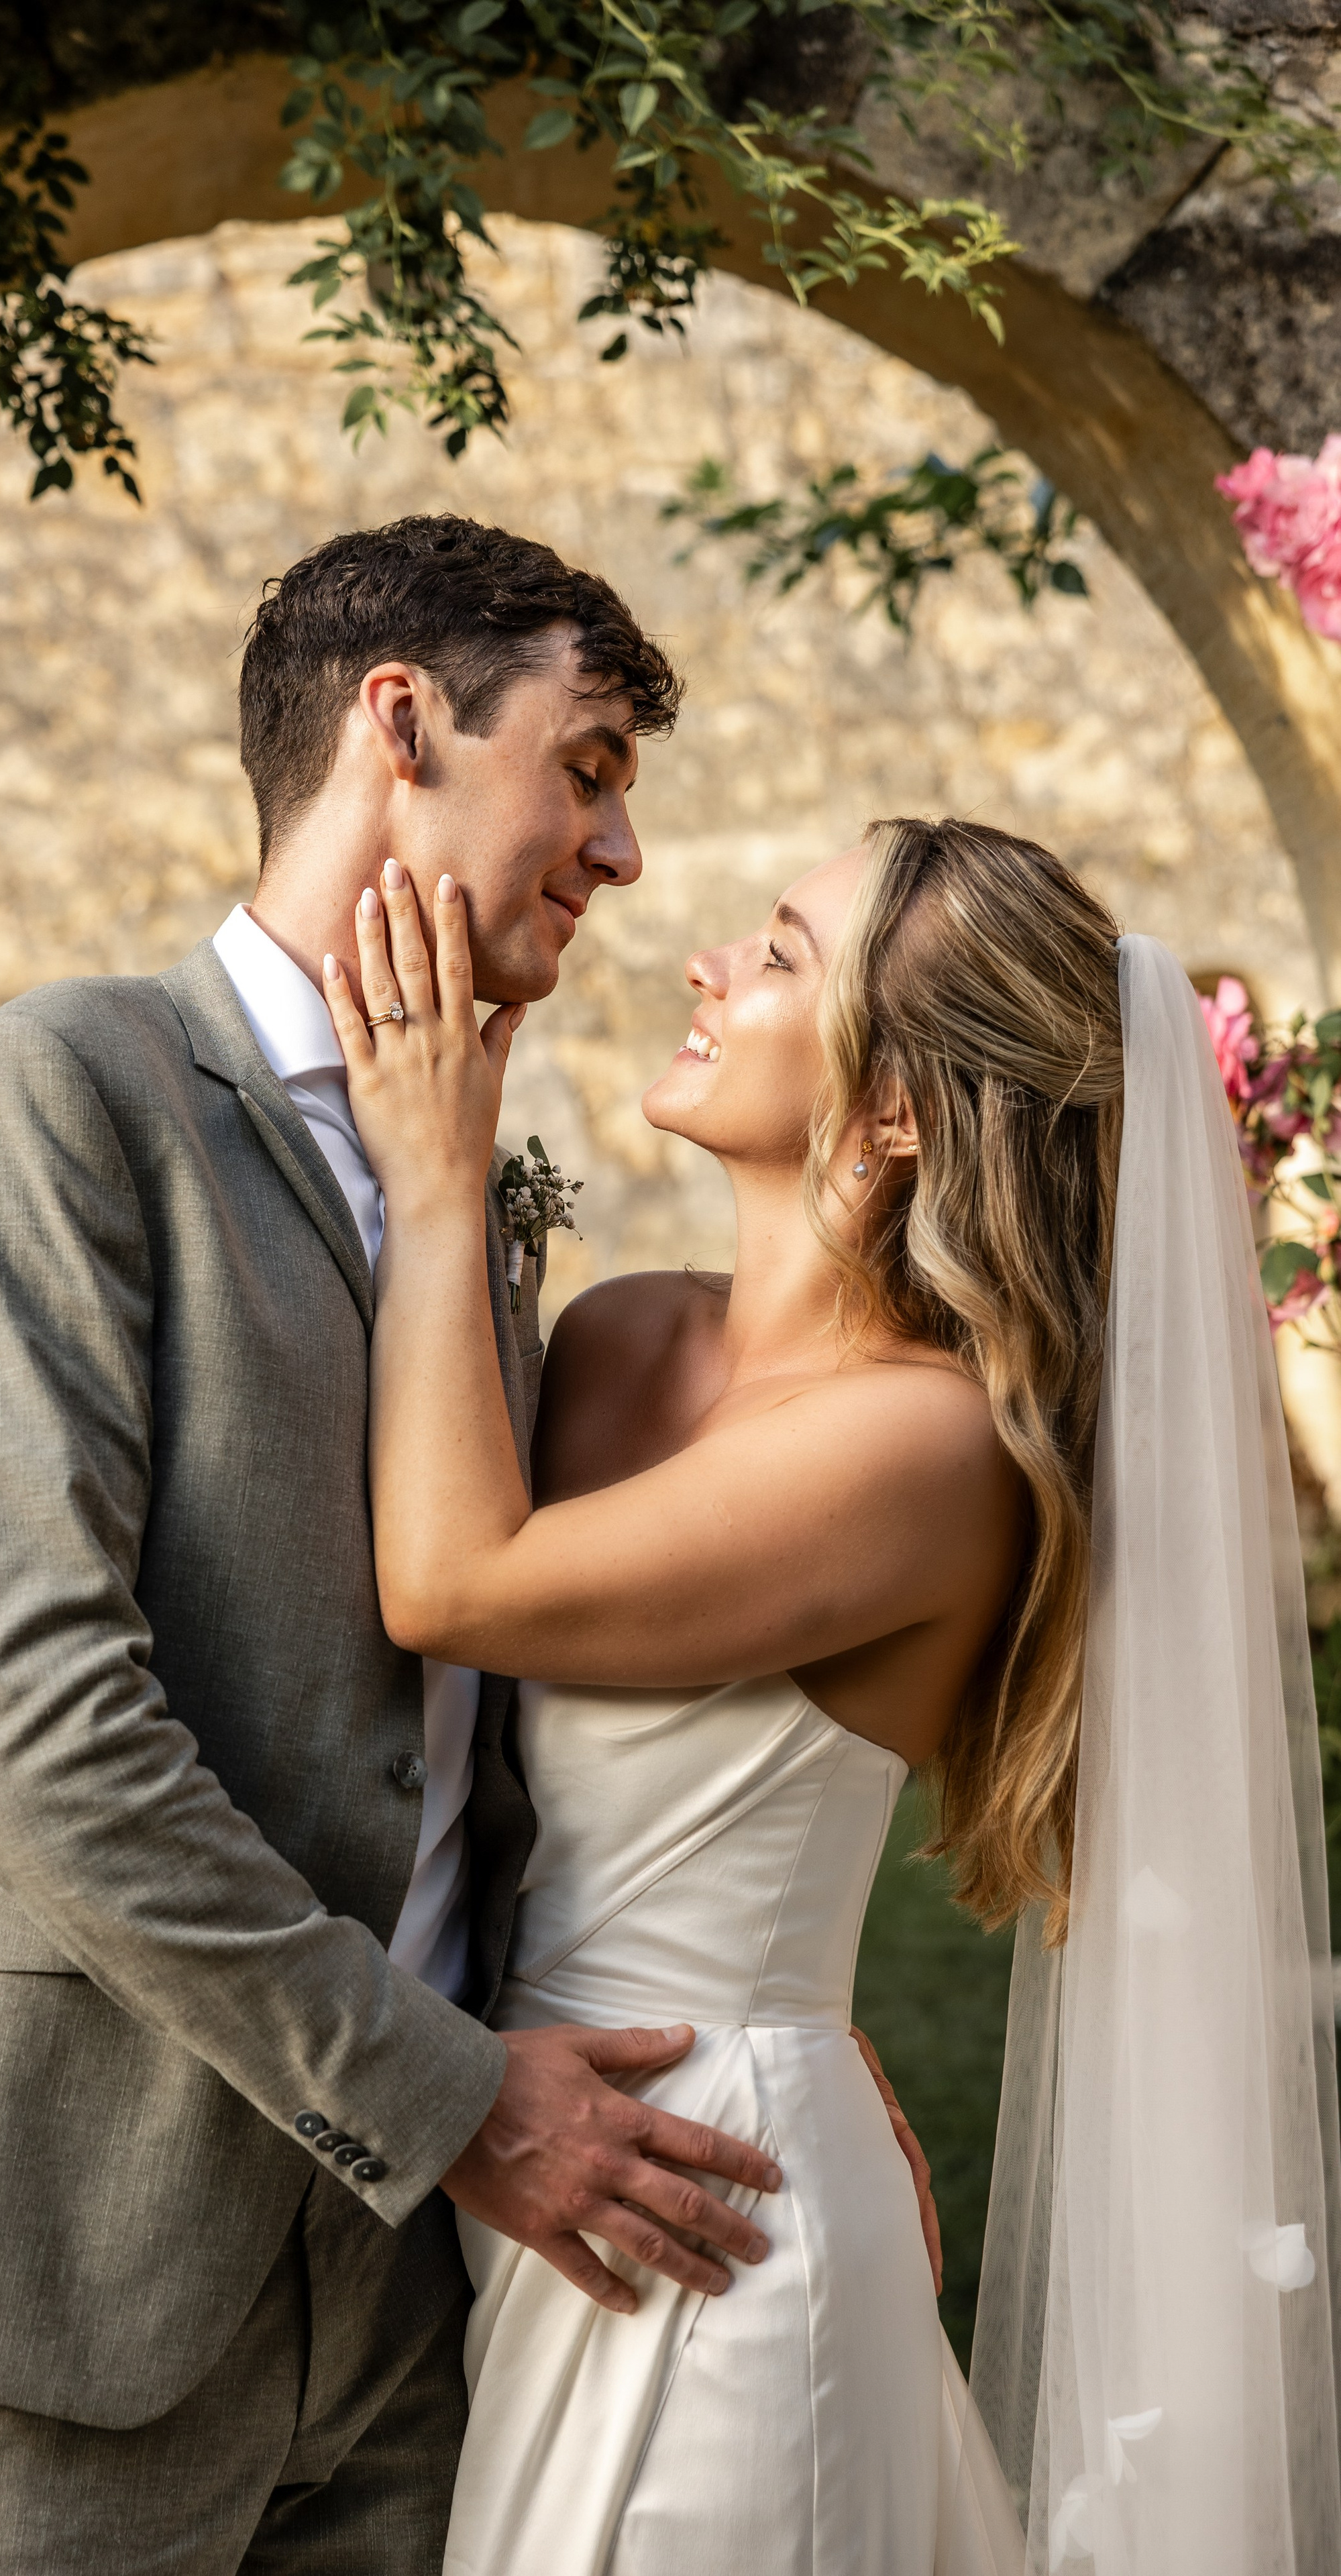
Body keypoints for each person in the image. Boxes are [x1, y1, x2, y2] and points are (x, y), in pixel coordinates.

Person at [0, 515, 930, 2575]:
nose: (620, 857)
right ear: (400, 724)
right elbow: (38, 1726)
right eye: (585, 768)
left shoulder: (476, 1199)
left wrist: (797, 2052)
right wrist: (451, 2096)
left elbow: (470, 1737)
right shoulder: (61, 1097)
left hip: (422, 2309)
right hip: (72, 2259)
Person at [324, 816, 1341, 2575]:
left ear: (899, 1113)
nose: (711, 964)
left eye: (785, 953)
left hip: (711, 2217)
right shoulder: (631, 1333)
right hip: (542, 2156)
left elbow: (454, 1584)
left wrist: (434, 1177)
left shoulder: (924, 1445)